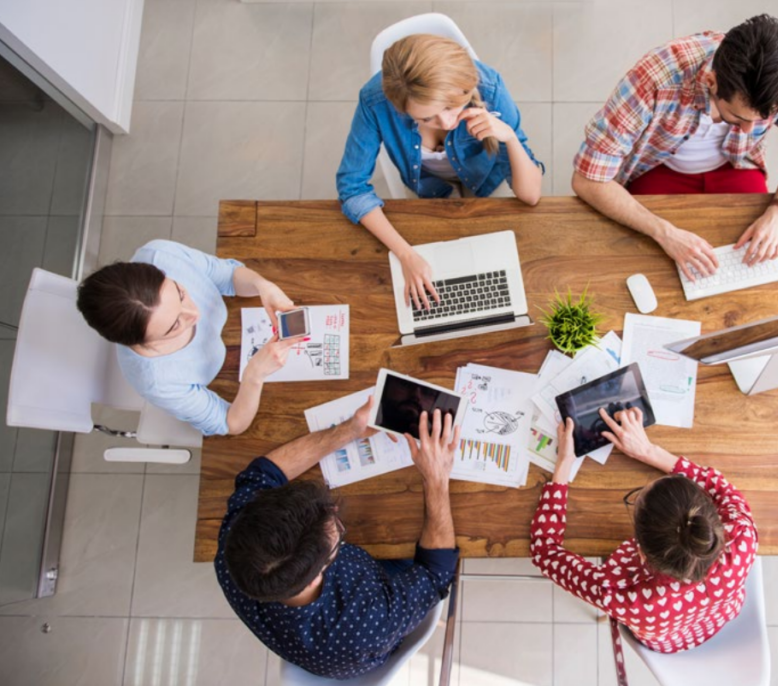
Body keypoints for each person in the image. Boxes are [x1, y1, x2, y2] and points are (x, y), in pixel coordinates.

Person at [571, 14, 778, 280]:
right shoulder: (654, 78)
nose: (751, 130)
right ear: (711, 82)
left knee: (757, 272)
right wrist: (664, 232)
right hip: (657, 168)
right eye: (739, 117)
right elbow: (587, 180)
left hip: (736, 164)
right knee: (647, 268)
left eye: (761, 120)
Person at [216, 401, 460, 679]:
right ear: (317, 576)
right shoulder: (370, 621)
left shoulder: (236, 545)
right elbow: (437, 573)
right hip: (365, 630)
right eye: (337, 533)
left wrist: (348, 431)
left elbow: (261, 474)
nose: (334, 512)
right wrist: (437, 477)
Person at [530, 408, 757, 671]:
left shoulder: (621, 595)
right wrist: (647, 451)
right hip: (719, 617)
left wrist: (564, 464)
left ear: (640, 552)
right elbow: (719, 486)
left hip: (667, 643)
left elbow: (544, 551)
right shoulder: (742, 535)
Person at [336, 34, 544, 311]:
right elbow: (352, 188)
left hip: (486, 179)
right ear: (401, 108)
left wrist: (510, 138)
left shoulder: (490, 86)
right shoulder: (375, 101)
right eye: (425, 118)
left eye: (450, 107)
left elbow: (530, 195)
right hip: (426, 186)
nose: (447, 121)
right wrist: (406, 255)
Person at [76, 239, 294, 436]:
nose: (195, 313)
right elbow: (232, 423)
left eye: (180, 294)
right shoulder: (158, 381)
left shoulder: (161, 254)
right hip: (225, 379)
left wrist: (263, 285)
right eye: (174, 326)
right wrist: (253, 376)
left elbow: (227, 274)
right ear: (143, 342)